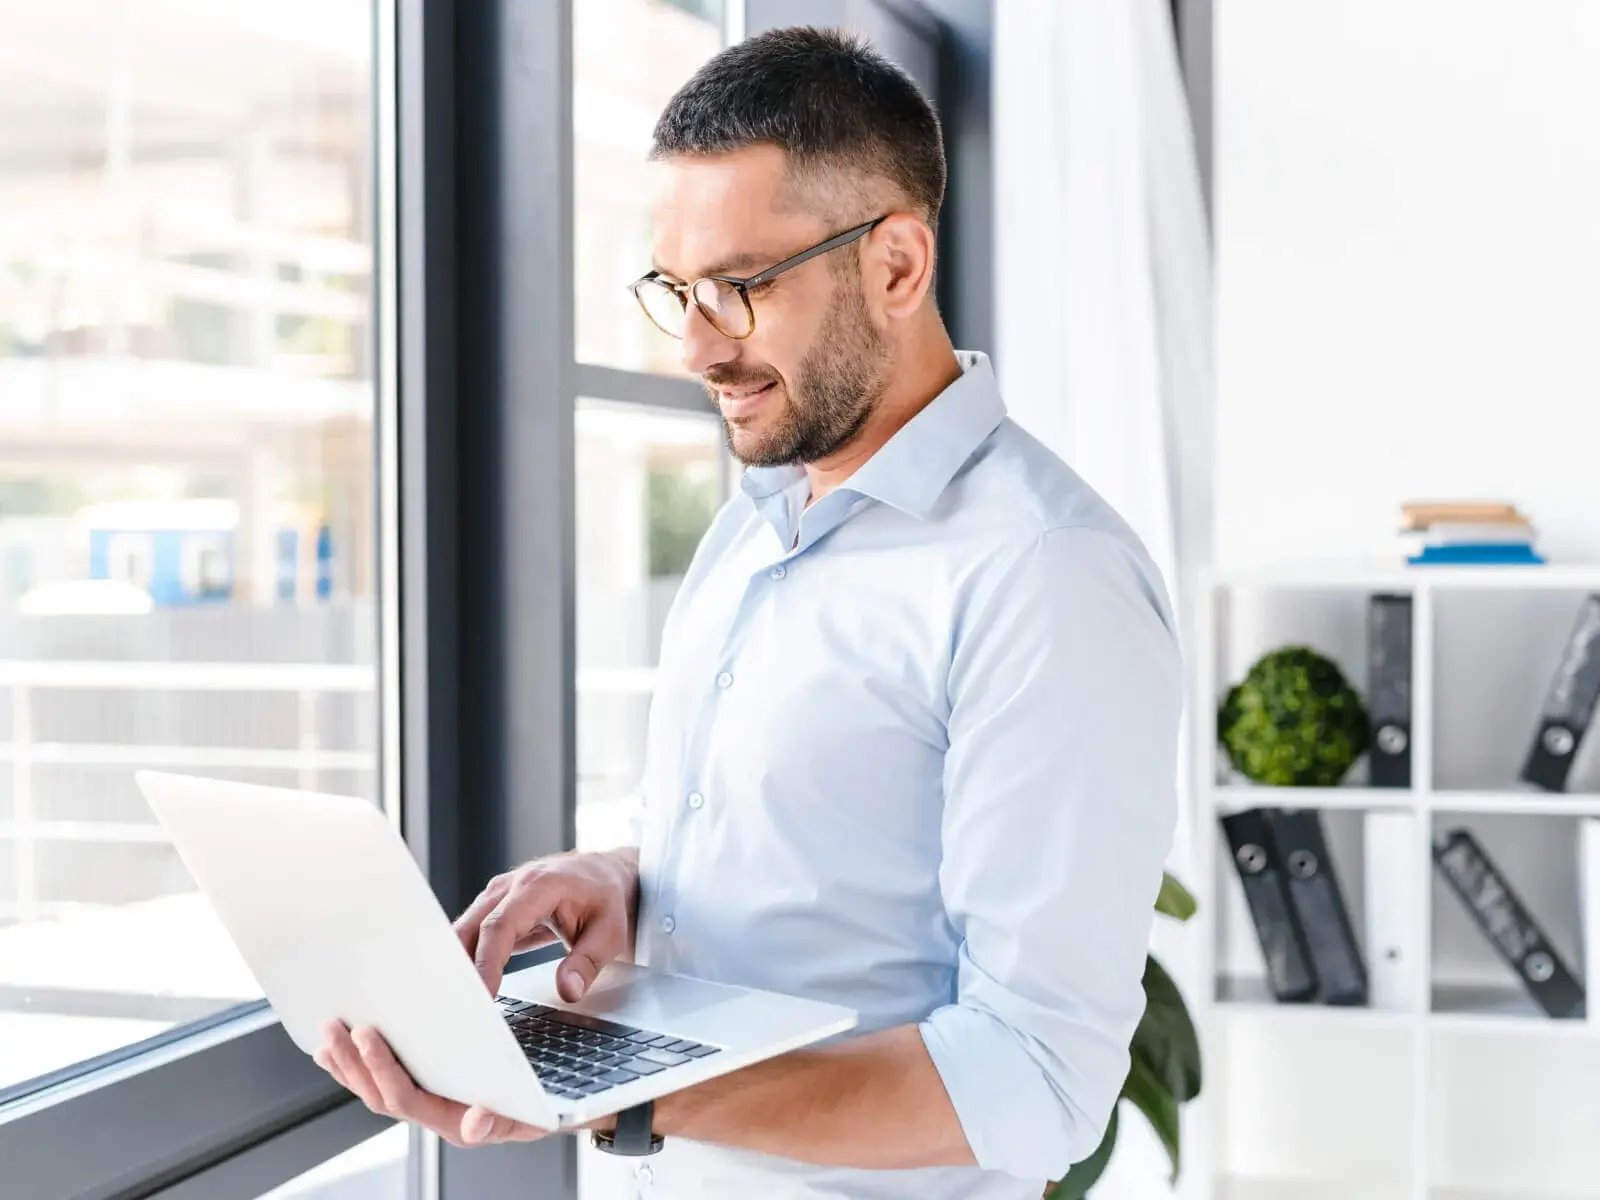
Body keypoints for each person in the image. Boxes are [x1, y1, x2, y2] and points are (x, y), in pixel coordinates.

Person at [316, 25, 1182, 1200]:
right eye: (677, 289)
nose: (696, 347)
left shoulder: (1045, 574)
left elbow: (1039, 1076)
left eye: (738, 287)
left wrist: (621, 1088)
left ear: (894, 265)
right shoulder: (758, 518)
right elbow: (827, 852)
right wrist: (627, 878)